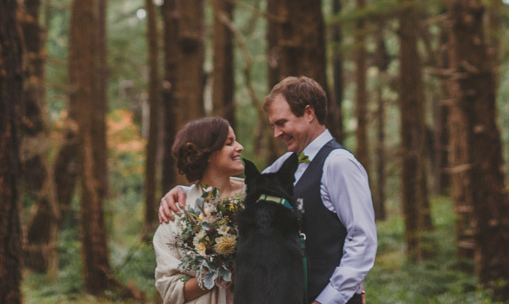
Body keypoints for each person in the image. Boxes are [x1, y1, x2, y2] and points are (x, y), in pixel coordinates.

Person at [160, 77, 376, 304]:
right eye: (273, 126)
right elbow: (242, 189)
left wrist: (329, 299)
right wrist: (185, 190)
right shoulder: (284, 164)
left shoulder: (339, 164)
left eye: (281, 123)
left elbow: (362, 239)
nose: (276, 133)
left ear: (309, 113)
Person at [155, 117, 246, 304]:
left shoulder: (257, 198)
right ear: (208, 155)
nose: (240, 147)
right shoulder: (177, 214)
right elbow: (170, 290)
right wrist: (220, 273)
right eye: (229, 143)